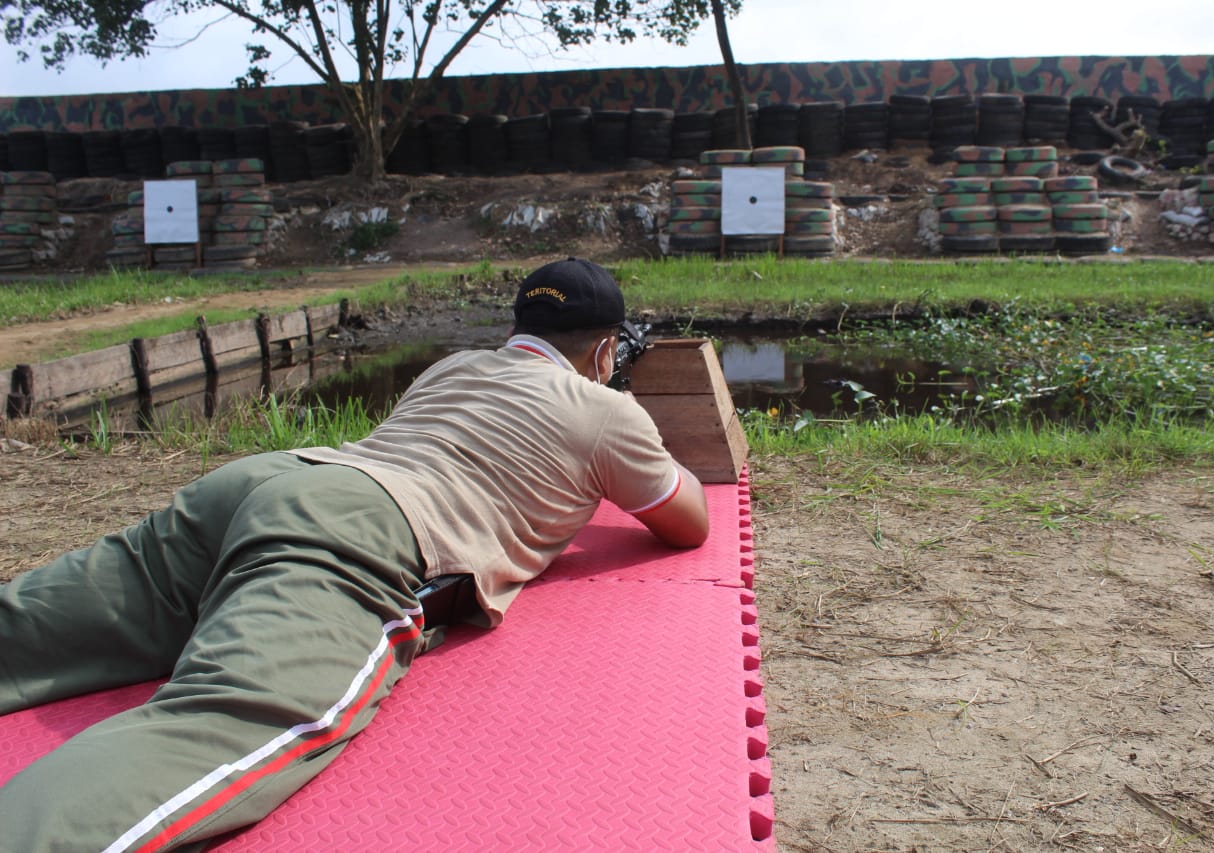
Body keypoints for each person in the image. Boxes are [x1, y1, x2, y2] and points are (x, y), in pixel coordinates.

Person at [0, 257, 709, 851]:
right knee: (221, 724)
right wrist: (618, 401)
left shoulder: (453, 366)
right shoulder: (608, 410)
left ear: (519, 327)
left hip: (269, 479)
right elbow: (688, 521)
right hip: (359, 529)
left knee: (27, 625)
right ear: (607, 349)